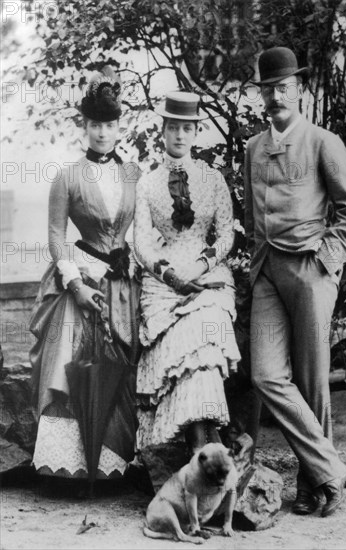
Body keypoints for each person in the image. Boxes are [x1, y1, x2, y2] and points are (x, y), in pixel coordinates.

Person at [244, 47, 346, 517]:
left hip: (311, 271)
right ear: (261, 94)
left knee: (313, 380)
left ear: (300, 91)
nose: (275, 96)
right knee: (267, 376)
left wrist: (327, 260)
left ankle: (310, 484)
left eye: (284, 88)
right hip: (268, 275)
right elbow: (254, 217)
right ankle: (331, 469)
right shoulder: (253, 148)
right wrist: (257, 268)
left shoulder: (323, 142)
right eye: (268, 89)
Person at [30, 67, 141, 483]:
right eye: (95, 124)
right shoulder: (67, 176)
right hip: (81, 277)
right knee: (73, 358)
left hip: (122, 281)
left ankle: (116, 464)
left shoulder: (132, 174)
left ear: (118, 128)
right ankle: (72, 467)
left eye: (110, 125)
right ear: (86, 127)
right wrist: (74, 285)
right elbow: (56, 237)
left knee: (123, 360)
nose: (102, 133)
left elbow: (143, 230)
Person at [134, 91, 241, 454]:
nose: (180, 135)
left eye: (187, 128)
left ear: (196, 132)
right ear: (162, 131)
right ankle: (205, 447)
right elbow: (142, 243)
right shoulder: (147, 183)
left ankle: (203, 447)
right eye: (173, 127)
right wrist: (169, 276)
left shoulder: (212, 179)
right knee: (181, 352)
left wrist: (202, 265)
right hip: (163, 285)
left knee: (204, 344)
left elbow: (227, 233)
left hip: (207, 276)